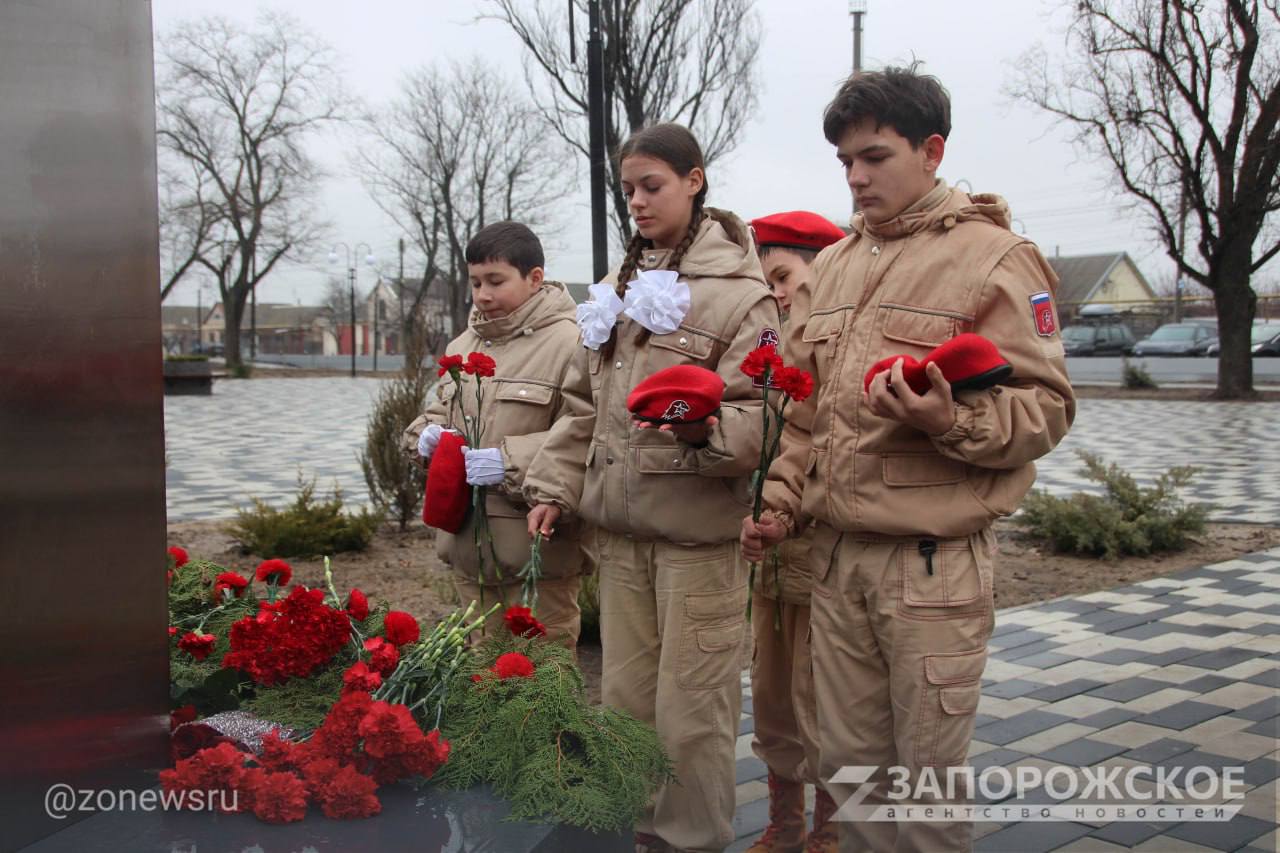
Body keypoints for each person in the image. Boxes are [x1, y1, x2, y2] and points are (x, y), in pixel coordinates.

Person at [741, 66, 1076, 853]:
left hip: (929, 571)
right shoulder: (835, 267)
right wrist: (779, 504)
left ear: (932, 151)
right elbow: (803, 412)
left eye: (875, 157)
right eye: (845, 162)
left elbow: (1047, 407)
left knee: (922, 795)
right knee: (854, 781)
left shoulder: (994, 259)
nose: (856, 177)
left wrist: (950, 419)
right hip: (836, 563)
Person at [522, 122, 779, 853]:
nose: (636, 201)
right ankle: (632, 828)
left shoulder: (740, 298)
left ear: (695, 181)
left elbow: (766, 417)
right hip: (622, 539)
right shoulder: (614, 290)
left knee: (692, 710)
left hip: (698, 544)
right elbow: (582, 406)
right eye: (628, 188)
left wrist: (701, 430)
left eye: (652, 185)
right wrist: (553, 487)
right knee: (626, 701)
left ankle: (690, 837)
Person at [403, 221, 585, 647]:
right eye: (475, 282)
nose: (483, 294)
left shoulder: (572, 343)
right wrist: (425, 436)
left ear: (534, 278)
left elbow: (585, 433)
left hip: (537, 557)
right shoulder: (462, 345)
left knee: (543, 675)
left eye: (496, 281)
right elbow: (439, 411)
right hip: (467, 548)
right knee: (479, 674)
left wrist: (507, 462)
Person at [743, 211, 845, 853]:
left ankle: (830, 833)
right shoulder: (769, 344)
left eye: (783, 277)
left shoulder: (838, 344)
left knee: (823, 701)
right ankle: (783, 824)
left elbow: (822, 441)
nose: (776, 293)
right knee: (772, 696)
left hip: (819, 552)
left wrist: (787, 509)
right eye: (768, 282)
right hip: (768, 555)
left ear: (822, 270)